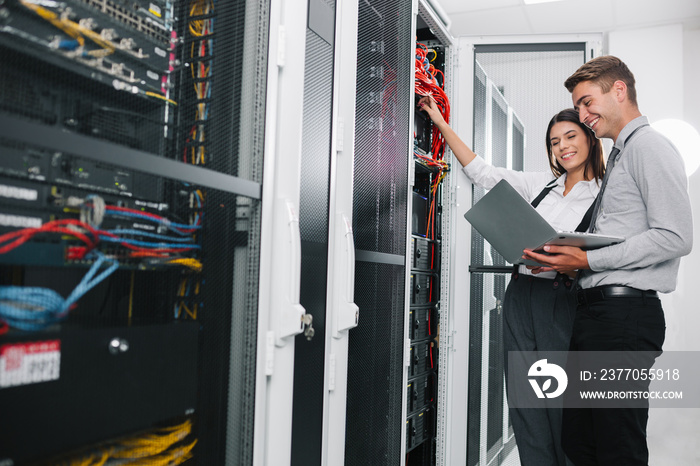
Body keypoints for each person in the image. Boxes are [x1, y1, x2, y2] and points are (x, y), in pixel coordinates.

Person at [523, 55, 693, 465]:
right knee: (582, 443)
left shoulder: (649, 146)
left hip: (624, 318)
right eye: (578, 106)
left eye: (586, 103)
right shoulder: (620, 155)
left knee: (618, 446)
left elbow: (676, 236)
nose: (583, 115)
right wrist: (564, 257)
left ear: (619, 90)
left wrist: (586, 261)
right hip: (597, 316)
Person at [420, 97, 604, 466]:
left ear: (589, 138)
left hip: (562, 300)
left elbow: (605, 256)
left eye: (570, 136)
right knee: (525, 398)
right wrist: (439, 122)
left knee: (560, 399)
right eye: (555, 142)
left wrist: (573, 265)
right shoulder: (542, 186)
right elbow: (482, 172)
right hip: (520, 295)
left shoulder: (604, 194)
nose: (563, 147)